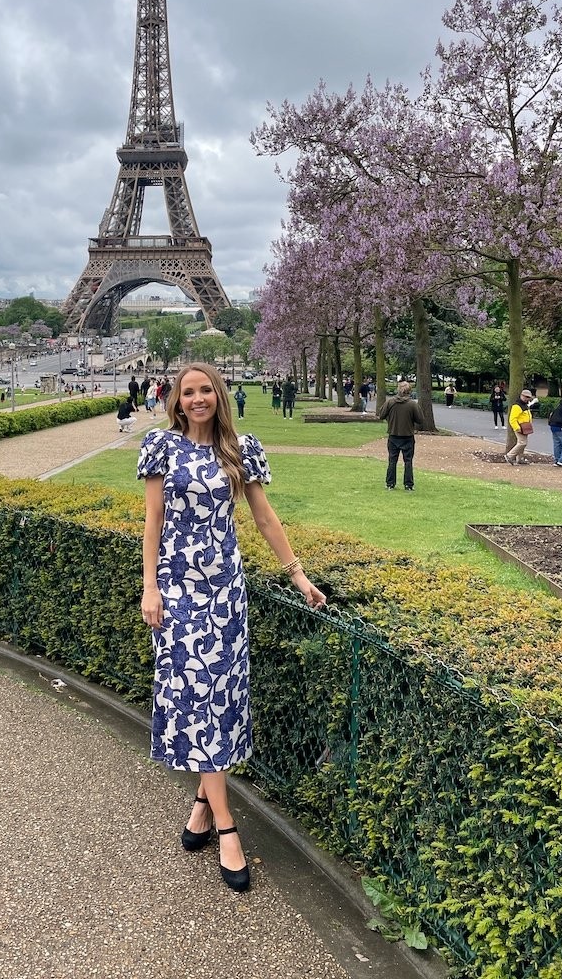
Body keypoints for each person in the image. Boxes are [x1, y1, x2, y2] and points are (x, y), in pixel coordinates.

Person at [138, 363, 326, 893]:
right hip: (176, 592)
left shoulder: (240, 450)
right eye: (188, 392)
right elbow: (153, 519)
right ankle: (227, 826)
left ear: (218, 396)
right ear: (176, 401)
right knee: (194, 699)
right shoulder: (160, 447)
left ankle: (202, 803)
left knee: (217, 700)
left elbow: (264, 518)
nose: (197, 399)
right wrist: (150, 587)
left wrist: (298, 575)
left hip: (224, 593)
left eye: (206, 391)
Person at [375, 380, 424, 490]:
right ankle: (408, 485)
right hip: (407, 436)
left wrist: (390, 418)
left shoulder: (390, 402)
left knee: (392, 460)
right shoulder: (412, 404)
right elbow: (420, 419)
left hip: (393, 435)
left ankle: (390, 484)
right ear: (409, 391)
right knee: (408, 461)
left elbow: (381, 414)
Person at [504, 389, 537, 465]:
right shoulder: (517, 406)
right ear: (521, 396)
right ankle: (510, 455)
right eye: (525, 397)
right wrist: (516, 427)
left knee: (521, 443)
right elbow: (512, 419)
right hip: (520, 427)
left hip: (525, 426)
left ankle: (519, 459)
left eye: (528, 397)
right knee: (523, 443)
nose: (526, 398)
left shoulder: (524, 405)